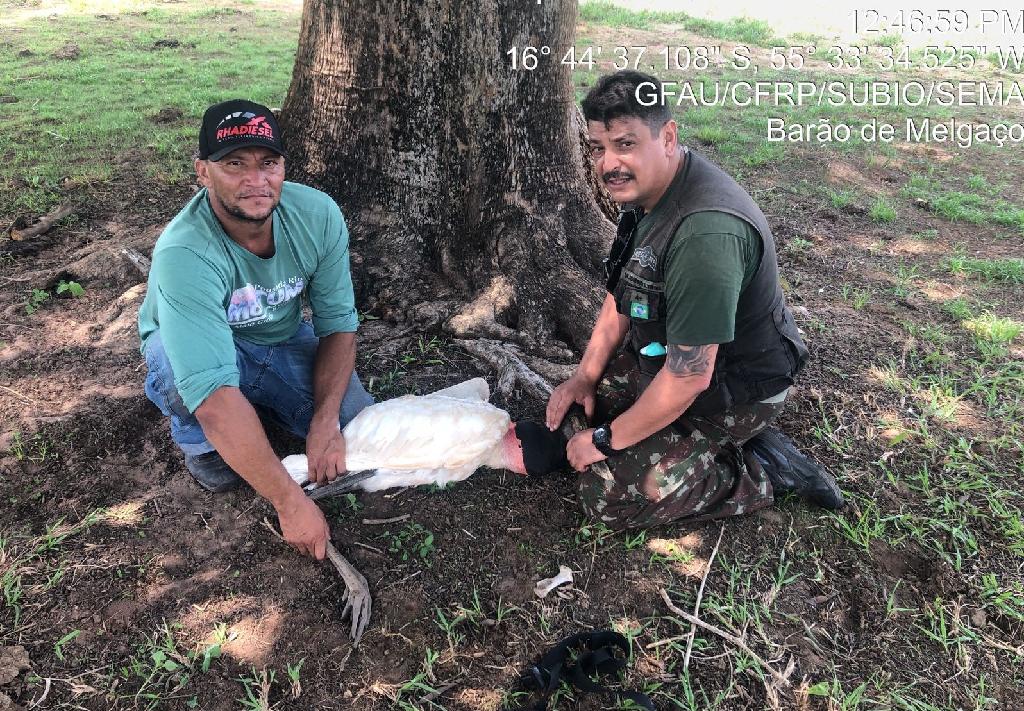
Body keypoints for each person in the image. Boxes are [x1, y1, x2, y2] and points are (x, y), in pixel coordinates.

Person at [545, 71, 843, 530]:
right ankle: (708, 442)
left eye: (625, 144)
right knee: (589, 404)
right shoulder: (648, 189)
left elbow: (688, 378)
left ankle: (763, 471)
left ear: (668, 136)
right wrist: (583, 377)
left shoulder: (705, 234)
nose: (608, 165)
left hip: (739, 388)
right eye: (598, 149)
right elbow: (620, 294)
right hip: (676, 358)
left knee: (607, 494)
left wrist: (604, 442)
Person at [138, 99, 374, 559]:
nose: (256, 181)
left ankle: (256, 420)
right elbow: (212, 393)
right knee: (175, 365)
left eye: (268, 163)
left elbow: (339, 324)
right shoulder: (184, 252)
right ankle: (199, 441)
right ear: (203, 172)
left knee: (352, 422)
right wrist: (289, 501)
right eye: (234, 165)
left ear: (283, 165)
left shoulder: (318, 215)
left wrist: (325, 421)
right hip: (202, 349)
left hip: (277, 339)